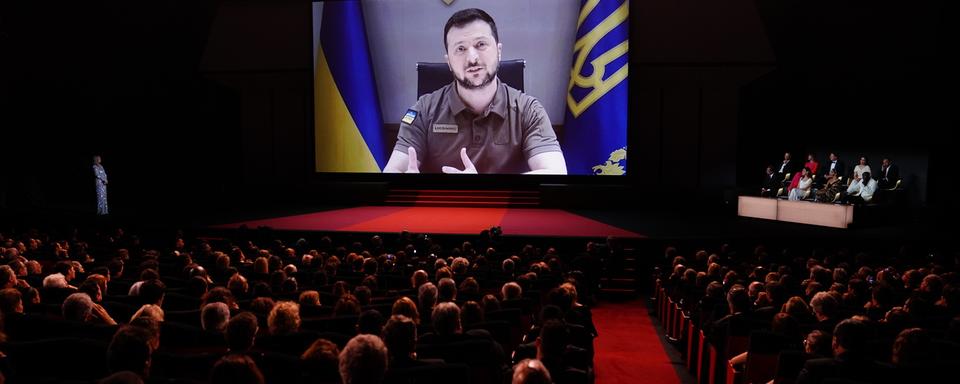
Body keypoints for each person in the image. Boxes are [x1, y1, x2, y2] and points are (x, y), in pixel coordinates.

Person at [382, 8, 566, 174]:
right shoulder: (421, 110)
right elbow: (393, 170)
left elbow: (555, 172)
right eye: (460, 48)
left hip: (507, 210)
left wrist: (482, 188)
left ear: (499, 51)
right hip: (441, 209)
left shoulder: (530, 110)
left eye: (480, 45)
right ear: (448, 61)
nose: (472, 58)